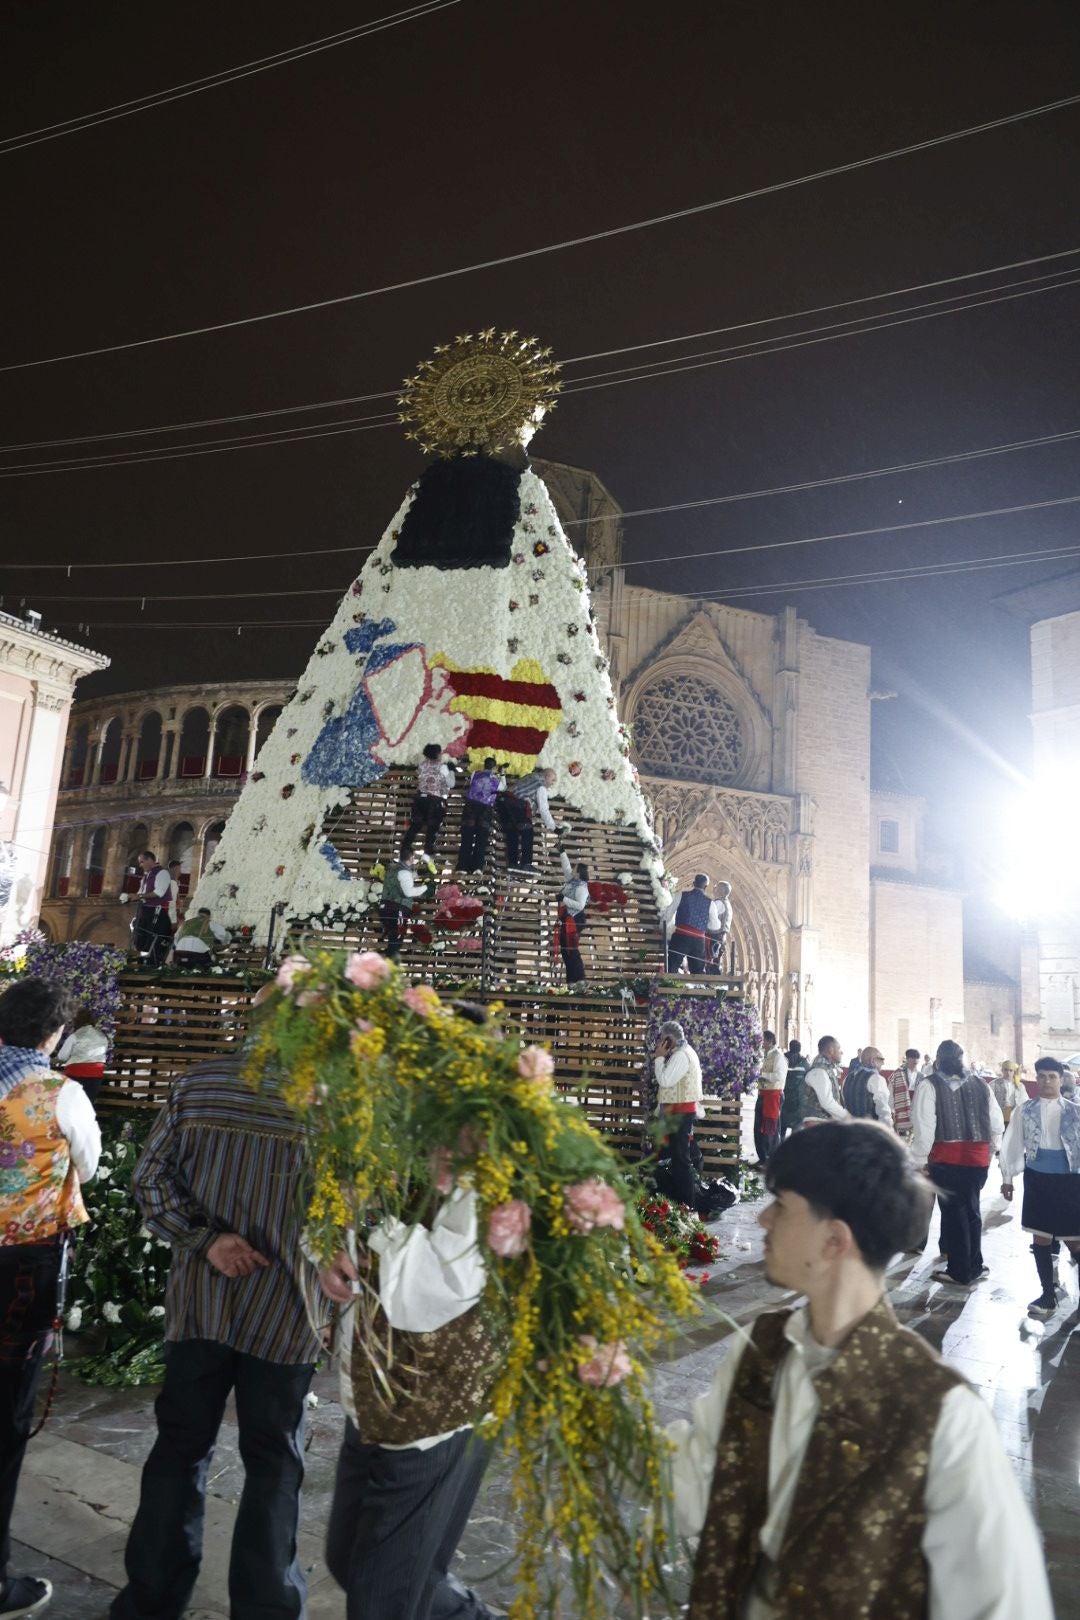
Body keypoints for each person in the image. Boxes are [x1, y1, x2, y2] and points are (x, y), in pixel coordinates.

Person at [667, 1122, 1054, 1620]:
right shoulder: (762, 1350)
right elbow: (696, 1479)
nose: (762, 1219)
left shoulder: (940, 1416)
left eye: (781, 1205)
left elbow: (1002, 1606)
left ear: (834, 1240)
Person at [110, 1048, 323, 1620]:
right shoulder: (336, 1103)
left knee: (179, 1448)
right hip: (288, 1312)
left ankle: (150, 1603)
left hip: (200, 1303)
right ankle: (267, 1609)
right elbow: (361, 1213)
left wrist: (206, 1240)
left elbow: (150, 1180)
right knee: (275, 1460)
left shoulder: (197, 1084)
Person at [315, 1005, 501, 1620]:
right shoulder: (402, 1143)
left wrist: (365, 1225)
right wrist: (327, 1254)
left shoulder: (494, 1173)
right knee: (348, 1559)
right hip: (372, 1394)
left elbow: (433, 1288)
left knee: (380, 1595)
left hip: (434, 1411)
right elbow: (344, 1234)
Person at [0, 977, 101, 1620]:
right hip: (23, 1268)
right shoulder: (61, 1096)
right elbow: (87, 1166)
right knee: (6, 1415)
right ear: (52, 1035)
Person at [910, 1039, 1004, 1289]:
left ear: (939, 1060)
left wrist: (919, 1159)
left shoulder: (929, 1085)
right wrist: (991, 1150)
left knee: (954, 1214)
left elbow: (925, 1128)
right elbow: (996, 1124)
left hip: (947, 1159)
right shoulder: (981, 1084)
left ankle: (960, 1271)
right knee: (972, 1211)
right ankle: (974, 1265)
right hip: (977, 1159)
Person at [1000, 1056, 1080, 1319]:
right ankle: (1048, 1295)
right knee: (1040, 1236)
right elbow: (1012, 1144)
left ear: (1061, 1079)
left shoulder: (1075, 1111)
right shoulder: (1025, 1109)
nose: (1046, 1081)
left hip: (1069, 1181)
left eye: (1052, 1076)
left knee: (1074, 1241)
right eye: (1042, 1076)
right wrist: (1007, 1178)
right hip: (1037, 1179)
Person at [653, 1021, 704, 1209]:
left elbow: (665, 1080)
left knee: (681, 1160)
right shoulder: (681, 1052)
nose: (659, 1042)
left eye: (662, 1038)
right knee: (675, 1158)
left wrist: (659, 1058)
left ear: (669, 1039)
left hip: (681, 1114)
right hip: (677, 1112)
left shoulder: (681, 1056)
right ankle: (674, 1200)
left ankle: (686, 1205)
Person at [664, 875, 730, 975]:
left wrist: (663, 927)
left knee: (672, 968)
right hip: (698, 941)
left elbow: (668, 914)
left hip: (680, 937)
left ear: (693, 884)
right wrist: (702, 922)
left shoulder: (682, 895)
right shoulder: (710, 903)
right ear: (706, 887)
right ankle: (698, 989)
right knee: (698, 972)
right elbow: (715, 926)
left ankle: (668, 988)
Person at [496, 766, 558, 871]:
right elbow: (544, 809)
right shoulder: (541, 785)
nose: (552, 783)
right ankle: (526, 863)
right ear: (546, 776)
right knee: (527, 832)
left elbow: (513, 790)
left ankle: (512, 863)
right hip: (517, 806)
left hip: (503, 803)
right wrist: (554, 828)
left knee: (512, 833)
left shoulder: (530, 776)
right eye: (553, 780)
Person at [401, 743, 456, 860]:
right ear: (437, 754)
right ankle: (427, 853)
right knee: (433, 827)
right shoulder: (442, 767)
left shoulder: (422, 765)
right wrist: (451, 771)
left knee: (415, 825)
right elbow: (451, 783)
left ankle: (405, 848)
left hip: (419, 798)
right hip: (434, 800)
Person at [122, 851, 173, 967]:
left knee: (152, 942)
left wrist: (139, 896)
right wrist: (130, 897)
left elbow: (158, 893)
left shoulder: (162, 873)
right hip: (144, 912)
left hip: (157, 913)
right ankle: (140, 965)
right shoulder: (146, 876)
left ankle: (150, 966)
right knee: (139, 939)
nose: (140, 865)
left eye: (142, 862)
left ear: (150, 860)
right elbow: (141, 893)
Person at [378, 854, 429, 962]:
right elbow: (408, 892)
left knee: (394, 935)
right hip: (398, 908)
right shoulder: (404, 872)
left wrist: (417, 874)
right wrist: (426, 887)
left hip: (385, 907)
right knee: (397, 936)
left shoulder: (393, 870)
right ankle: (388, 966)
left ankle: (387, 963)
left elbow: (402, 880)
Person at [456, 757, 504, 873]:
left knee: (467, 838)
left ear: (484, 765)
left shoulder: (475, 773)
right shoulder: (496, 779)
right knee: (481, 839)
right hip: (485, 810)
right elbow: (503, 788)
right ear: (493, 767)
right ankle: (477, 867)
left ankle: (462, 867)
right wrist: (502, 774)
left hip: (470, 807)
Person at [55, 1006, 109, 1105]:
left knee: (72, 1103)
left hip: (76, 1073)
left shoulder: (75, 1036)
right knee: (88, 1104)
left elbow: (62, 1056)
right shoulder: (102, 1036)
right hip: (96, 1074)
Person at [556, 849, 590, 989]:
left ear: (578, 873)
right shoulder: (572, 881)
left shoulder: (581, 888)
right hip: (567, 919)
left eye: (575, 869)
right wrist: (562, 851)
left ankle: (580, 979)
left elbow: (580, 905)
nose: (572, 870)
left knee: (572, 948)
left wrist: (564, 899)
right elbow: (566, 867)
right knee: (565, 949)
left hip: (575, 920)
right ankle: (571, 981)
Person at [754, 1032, 786, 1165]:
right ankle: (762, 1157)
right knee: (759, 1127)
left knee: (770, 1129)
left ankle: (770, 1159)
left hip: (773, 1096)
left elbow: (779, 1076)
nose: (762, 1044)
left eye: (764, 1041)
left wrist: (762, 1074)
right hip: (763, 1094)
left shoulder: (778, 1056)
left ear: (770, 1041)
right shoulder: (766, 1056)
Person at [843, 1046, 893, 1129]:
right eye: (881, 1059)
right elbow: (884, 1112)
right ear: (872, 1061)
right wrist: (889, 1133)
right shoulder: (876, 1079)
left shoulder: (848, 1078)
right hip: (870, 1132)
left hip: (851, 1131)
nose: (883, 1063)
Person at [802, 1036, 849, 1123]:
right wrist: (847, 1116)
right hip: (817, 1124)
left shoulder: (825, 1069)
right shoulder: (819, 1071)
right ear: (831, 1050)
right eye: (838, 1048)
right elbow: (827, 1103)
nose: (841, 1052)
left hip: (823, 1123)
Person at [889, 1047, 921, 1137]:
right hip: (901, 1110)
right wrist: (892, 1110)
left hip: (916, 1110)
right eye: (912, 1057)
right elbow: (890, 1093)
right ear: (907, 1059)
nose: (915, 1060)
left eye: (917, 1058)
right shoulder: (897, 1073)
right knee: (902, 1138)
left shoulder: (922, 1076)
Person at [779, 1039, 808, 1138]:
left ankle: (780, 1151)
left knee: (781, 1130)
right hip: (798, 1102)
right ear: (800, 1049)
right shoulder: (804, 1062)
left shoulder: (782, 1059)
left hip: (783, 1100)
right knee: (796, 1133)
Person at [992, 1060, 1027, 1125]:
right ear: (1002, 1070)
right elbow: (989, 1100)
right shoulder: (994, 1083)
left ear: (1014, 1071)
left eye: (1011, 1070)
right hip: (999, 1116)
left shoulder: (1020, 1086)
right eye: (1006, 1070)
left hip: (1015, 1116)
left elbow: (1025, 1101)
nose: (1008, 1073)